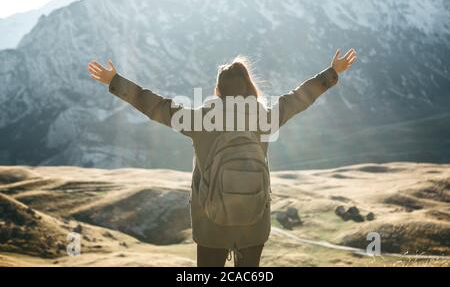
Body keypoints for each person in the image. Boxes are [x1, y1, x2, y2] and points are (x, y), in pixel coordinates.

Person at [87, 48, 357, 266]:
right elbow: (299, 98)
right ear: (250, 87)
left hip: (211, 223)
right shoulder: (265, 117)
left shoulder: (201, 120)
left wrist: (114, 81)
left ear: (219, 90)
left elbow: (156, 106)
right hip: (254, 220)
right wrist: (332, 72)